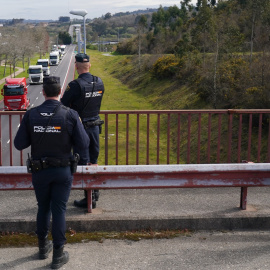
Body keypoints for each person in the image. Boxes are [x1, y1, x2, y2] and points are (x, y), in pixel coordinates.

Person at [14, 76, 89, 269]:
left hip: (40, 172)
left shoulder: (32, 115)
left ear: (43, 92)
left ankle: (42, 248)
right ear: (60, 93)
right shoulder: (70, 114)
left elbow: (19, 144)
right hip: (63, 171)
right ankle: (58, 255)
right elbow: (83, 144)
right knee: (59, 210)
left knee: (43, 208)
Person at [61, 53, 105, 209]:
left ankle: (89, 199)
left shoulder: (75, 85)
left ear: (76, 66)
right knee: (94, 161)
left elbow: (63, 104)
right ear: (89, 66)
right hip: (95, 128)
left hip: (81, 129)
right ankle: (94, 192)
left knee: (83, 162)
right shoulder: (99, 82)